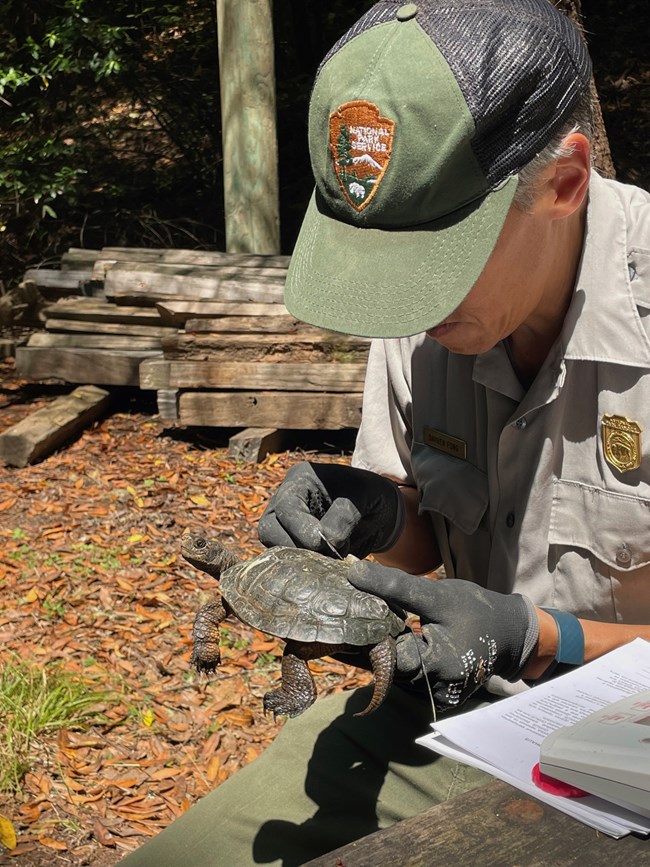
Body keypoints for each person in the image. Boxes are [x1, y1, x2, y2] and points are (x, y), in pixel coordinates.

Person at [121, 0, 650, 864]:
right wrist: (375, 515)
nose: (408, 303)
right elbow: (427, 544)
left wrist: (540, 635)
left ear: (561, 183)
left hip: (629, 757)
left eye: (436, 260)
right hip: (451, 718)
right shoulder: (427, 315)